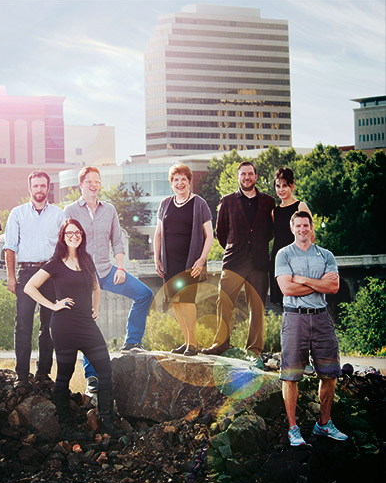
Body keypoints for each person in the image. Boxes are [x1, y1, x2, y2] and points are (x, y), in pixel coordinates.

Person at [24, 219, 122, 439]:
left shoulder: (86, 260)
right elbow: (30, 287)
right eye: (69, 233)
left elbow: (96, 287)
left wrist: (96, 308)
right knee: (64, 376)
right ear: (62, 236)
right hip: (64, 327)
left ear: (82, 236)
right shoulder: (55, 263)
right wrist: (53, 305)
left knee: (105, 371)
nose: (74, 236)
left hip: (87, 326)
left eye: (77, 232)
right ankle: (67, 428)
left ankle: (107, 422)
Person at [64, 166, 153, 394]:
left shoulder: (109, 209)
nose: (94, 185)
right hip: (83, 275)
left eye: (98, 181)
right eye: (90, 181)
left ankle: (132, 342)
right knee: (87, 321)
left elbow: (117, 241)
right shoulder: (71, 210)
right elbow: (67, 244)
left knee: (144, 294)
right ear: (81, 184)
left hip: (106, 271)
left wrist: (121, 267)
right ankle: (91, 377)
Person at [275, 210, 347, 446]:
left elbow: (334, 286)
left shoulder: (326, 255)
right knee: (291, 375)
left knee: (330, 373)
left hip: (321, 318)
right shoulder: (283, 254)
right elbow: (287, 289)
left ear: (311, 227)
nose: (303, 230)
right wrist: (319, 285)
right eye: (298, 226)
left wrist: (303, 280)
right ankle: (293, 428)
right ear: (292, 228)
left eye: (306, 225)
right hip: (295, 319)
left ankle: (323, 424)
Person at [202, 161, 275, 369]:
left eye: (250, 174)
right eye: (243, 174)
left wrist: (257, 247)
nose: (247, 177)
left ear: (256, 177)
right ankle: (221, 344)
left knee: (258, 307)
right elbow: (221, 232)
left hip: (260, 262)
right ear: (238, 177)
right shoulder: (227, 201)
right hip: (234, 260)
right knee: (224, 301)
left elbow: (271, 231)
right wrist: (236, 247)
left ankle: (254, 350)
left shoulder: (268, 202)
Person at [5, 171, 64, 388]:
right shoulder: (17, 214)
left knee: (49, 325)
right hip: (27, 273)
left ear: (48, 188)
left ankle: (43, 373)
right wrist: (11, 277)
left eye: (43, 186)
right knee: (23, 323)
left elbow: (64, 248)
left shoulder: (59, 214)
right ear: (29, 188)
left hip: (51, 272)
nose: (39, 189)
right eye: (36, 186)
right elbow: (9, 247)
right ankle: (22, 374)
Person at [153, 164, 214, 355]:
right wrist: (157, 258)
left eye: (183, 179)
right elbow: (158, 234)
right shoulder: (165, 204)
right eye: (176, 180)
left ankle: (193, 344)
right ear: (171, 183)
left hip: (190, 263)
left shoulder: (199, 204)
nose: (180, 183)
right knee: (176, 302)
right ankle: (186, 341)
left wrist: (201, 259)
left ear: (189, 182)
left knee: (187, 301)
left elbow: (209, 236)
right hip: (169, 262)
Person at [270, 167, 312, 306]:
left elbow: (311, 236)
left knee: (302, 301)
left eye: (285, 186)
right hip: (279, 259)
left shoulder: (301, 206)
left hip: (297, 258)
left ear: (292, 186)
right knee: (284, 304)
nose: (281, 189)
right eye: (278, 186)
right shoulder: (274, 212)